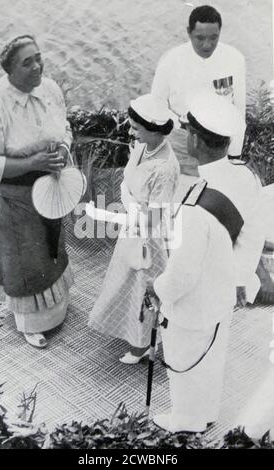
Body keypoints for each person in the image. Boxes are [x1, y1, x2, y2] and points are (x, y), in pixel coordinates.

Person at [151, 91, 263, 433]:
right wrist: (236, 275)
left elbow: (182, 275)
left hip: (191, 304)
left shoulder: (195, 208)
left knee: (184, 363)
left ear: (196, 139)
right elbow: (252, 238)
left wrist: (157, 288)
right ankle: (208, 411)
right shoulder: (245, 176)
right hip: (222, 295)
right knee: (212, 358)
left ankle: (186, 421)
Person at [0, 35, 73, 348]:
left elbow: (65, 128)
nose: (37, 66)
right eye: (27, 62)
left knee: (50, 251)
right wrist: (32, 161)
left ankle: (55, 309)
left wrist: (62, 149)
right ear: (9, 71)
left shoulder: (49, 89)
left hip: (50, 188)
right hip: (13, 198)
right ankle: (30, 323)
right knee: (25, 261)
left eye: (38, 57)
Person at [88, 94, 180, 364]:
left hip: (147, 239)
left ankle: (143, 346)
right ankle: (135, 335)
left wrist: (109, 213)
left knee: (142, 292)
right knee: (126, 286)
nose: (130, 132)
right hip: (132, 229)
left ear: (153, 129)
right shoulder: (142, 147)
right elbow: (130, 184)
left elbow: (152, 220)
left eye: (136, 128)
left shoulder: (165, 169)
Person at [151, 5, 246, 174]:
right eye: (200, 38)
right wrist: (178, 122)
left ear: (220, 33)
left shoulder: (235, 59)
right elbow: (157, 102)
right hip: (182, 138)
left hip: (219, 142)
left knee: (215, 190)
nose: (207, 45)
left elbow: (239, 109)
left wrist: (234, 155)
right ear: (189, 32)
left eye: (213, 38)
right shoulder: (171, 60)